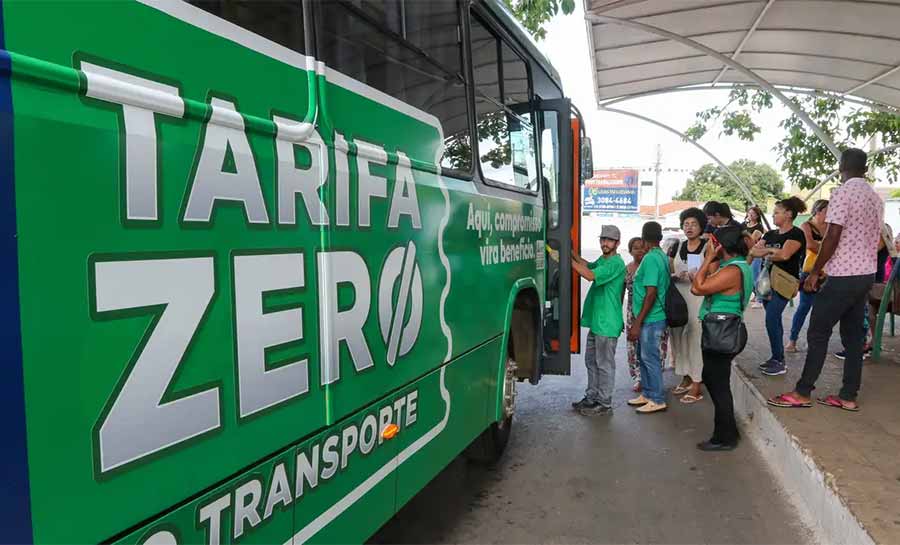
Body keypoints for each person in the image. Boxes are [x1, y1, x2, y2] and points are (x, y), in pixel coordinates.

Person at [769, 148, 883, 412]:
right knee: (854, 338)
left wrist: (814, 271)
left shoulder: (842, 193)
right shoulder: (875, 198)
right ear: (864, 169)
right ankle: (848, 395)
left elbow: (832, 236)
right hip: (865, 275)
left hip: (843, 275)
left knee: (818, 331)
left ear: (841, 165)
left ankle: (802, 391)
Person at [690, 225, 753, 451]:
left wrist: (707, 258)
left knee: (718, 385)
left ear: (719, 246)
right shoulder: (736, 266)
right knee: (715, 379)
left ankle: (724, 438)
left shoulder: (733, 270)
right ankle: (727, 431)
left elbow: (698, 288)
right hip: (724, 329)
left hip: (722, 331)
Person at [570, 226, 626, 416]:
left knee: (604, 364)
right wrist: (569, 252)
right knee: (591, 362)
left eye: (609, 240)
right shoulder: (604, 260)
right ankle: (592, 397)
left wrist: (565, 260)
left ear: (617, 243)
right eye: (603, 239)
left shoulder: (616, 263)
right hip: (598, 322)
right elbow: (589, 266)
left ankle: (604, 402)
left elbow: (589, 275)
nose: (605, 243)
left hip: (607, 323)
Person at [749, 196, 807, 376]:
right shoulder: (770, 234)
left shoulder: (796, 234)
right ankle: (777, 356)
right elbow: (753, 251)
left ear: (789, 214)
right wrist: (771, 251)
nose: (773, 216)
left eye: (777, 212)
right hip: (766, 281)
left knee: (771, 318)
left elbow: (785, 255)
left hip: (784, 282)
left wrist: (766, 252)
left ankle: (778, 360)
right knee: (773, 319)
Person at [627, 221, 670, 414]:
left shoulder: (652, 258)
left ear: (644, 240)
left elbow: (651, 292)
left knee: (649, 357)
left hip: (651, 318)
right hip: (650, 317)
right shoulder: (661, 255)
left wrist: (637, 322)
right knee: (643, 357)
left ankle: (657, 398)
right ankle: (648, 393)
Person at [668, 207, 708, 404]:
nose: (689, 228)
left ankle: (697, 383)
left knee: (694, 339)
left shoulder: (707, 247)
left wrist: (697, 276)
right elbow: (669, 270)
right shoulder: (678, 246)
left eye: (693, 224)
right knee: (678, 339)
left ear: (701, 227)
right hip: (679, 299)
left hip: (697, 299)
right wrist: (678, 275)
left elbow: (713, 274)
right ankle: (684, 375)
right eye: (686, 224)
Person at [786, 199, 828, 352]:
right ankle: (793, 339)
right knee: (804, 306)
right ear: (818, 211)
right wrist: (827, 250)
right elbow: (810, 245)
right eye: (827, 211)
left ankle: (814, 340)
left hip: (827, 272)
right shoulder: (806, 226)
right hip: (809, 270)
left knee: (821, 309)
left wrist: (823, 249)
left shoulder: (831, 227)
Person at [742, 205, 766, 308]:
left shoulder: (758, 227)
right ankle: (756, 295)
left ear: (757, 216)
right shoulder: (744, 225)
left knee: (756, 276)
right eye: (749, 213)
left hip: (755, 254)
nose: (751, 215)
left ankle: (760, 300)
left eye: (753, 214)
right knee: (747, 276)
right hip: (746, 254)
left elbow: (751, 240)